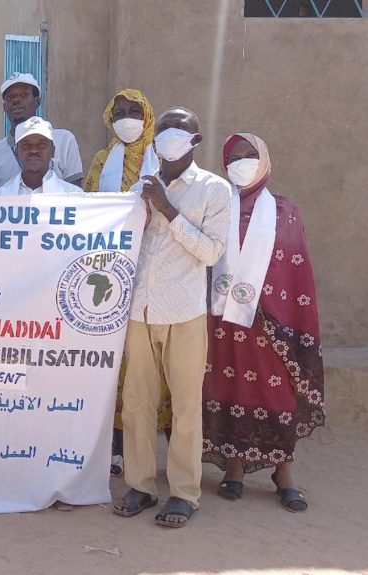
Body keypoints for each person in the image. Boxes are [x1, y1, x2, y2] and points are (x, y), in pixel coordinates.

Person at [112, 107, 231, 528]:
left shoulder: (214, 190)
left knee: (184, 406)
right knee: (137, 405)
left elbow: (213, 252)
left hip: (183, 311)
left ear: (195, 140)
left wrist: (167, 209)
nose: (168, 136)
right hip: (139, 310)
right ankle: (141, 485)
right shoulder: (141, 185)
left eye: (178, 130)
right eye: (162, 129)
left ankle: (184, 494)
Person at [203, 133, 324, 512]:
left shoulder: (284, 210)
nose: (242, 162)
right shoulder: (216, 207)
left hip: (272, 322)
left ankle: (284, 473)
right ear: (225, 166)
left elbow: (295, 267)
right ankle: (234, 469)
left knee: (277, 394)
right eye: (235, 157)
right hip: (223, 322)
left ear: (265, 160)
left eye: (250, 155)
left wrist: (269, 306)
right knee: (229, 390)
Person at [82, 88, 169, 478]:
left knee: (155, 360)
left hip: (157, 270)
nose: (127, 118)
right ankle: (116, 444)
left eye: (135, 111)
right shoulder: (104, 161)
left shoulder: (166, 160)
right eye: (120, 112)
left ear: (148, 115)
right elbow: (88, 208)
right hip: (112, 270)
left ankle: (165, 444)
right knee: (116, 360)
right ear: (109, 117)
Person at [0, 72, 83, 188]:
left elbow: (75, 198)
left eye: (23, 95)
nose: (16, 100)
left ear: (37, 101)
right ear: (4, 107)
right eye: (10, 97)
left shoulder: (65, 140)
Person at [0, 116, 81, 196]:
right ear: (17, 152)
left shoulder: (74, 196)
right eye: (26, 145)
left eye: (41, 144)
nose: (34, 150)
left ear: (53, 151)